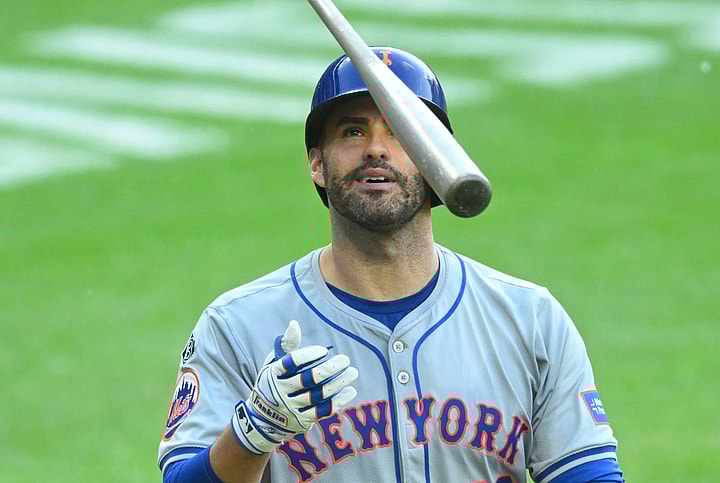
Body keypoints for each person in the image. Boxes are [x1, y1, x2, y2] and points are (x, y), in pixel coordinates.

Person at [158, 47, 624, 483]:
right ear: (317, 164)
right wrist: (254, 432)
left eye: (400, 130)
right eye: (353, 131)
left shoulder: (530, 319)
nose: (376, 149)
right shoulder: (238, 326)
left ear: (439, 159)